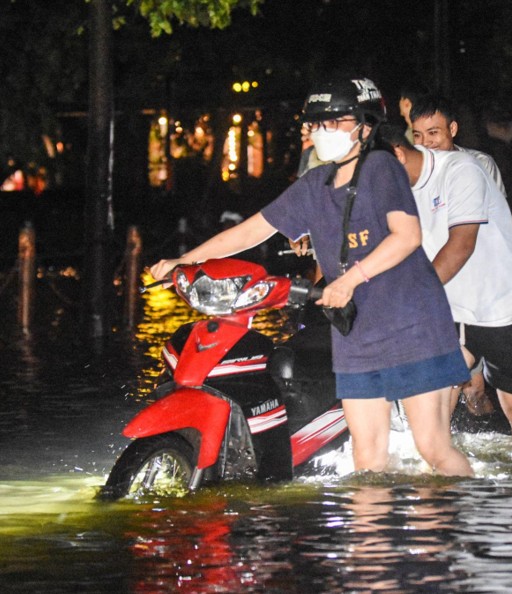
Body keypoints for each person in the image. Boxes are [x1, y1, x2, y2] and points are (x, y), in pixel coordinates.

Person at [150, 76, 473, 477]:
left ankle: (455, 532)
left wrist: (349, 279)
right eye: (318, 123)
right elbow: (252, 230)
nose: (324, 131)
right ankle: (369, 542)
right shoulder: (314, 185)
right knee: (366, 460)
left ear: (365, 126)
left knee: (434, 448)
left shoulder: (381, 168)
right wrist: (185, 261)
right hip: (355, 330)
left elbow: (407, 236)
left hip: (412, 323)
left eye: (336, 122)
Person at [379, 122, 512, 436]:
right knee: (428, 419)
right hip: (450, 314)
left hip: (505, 308)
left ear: (396, 155)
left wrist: (409, 300)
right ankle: (437, 479)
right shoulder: (391, 190)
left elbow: (461, 246)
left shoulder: (463, 169)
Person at [409, 94, 507, 195]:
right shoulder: (412, 174)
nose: (425, 142)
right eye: (417, 135)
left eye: (433, 132)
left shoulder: (481, 164)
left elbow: (498, 209)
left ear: (452, 129)